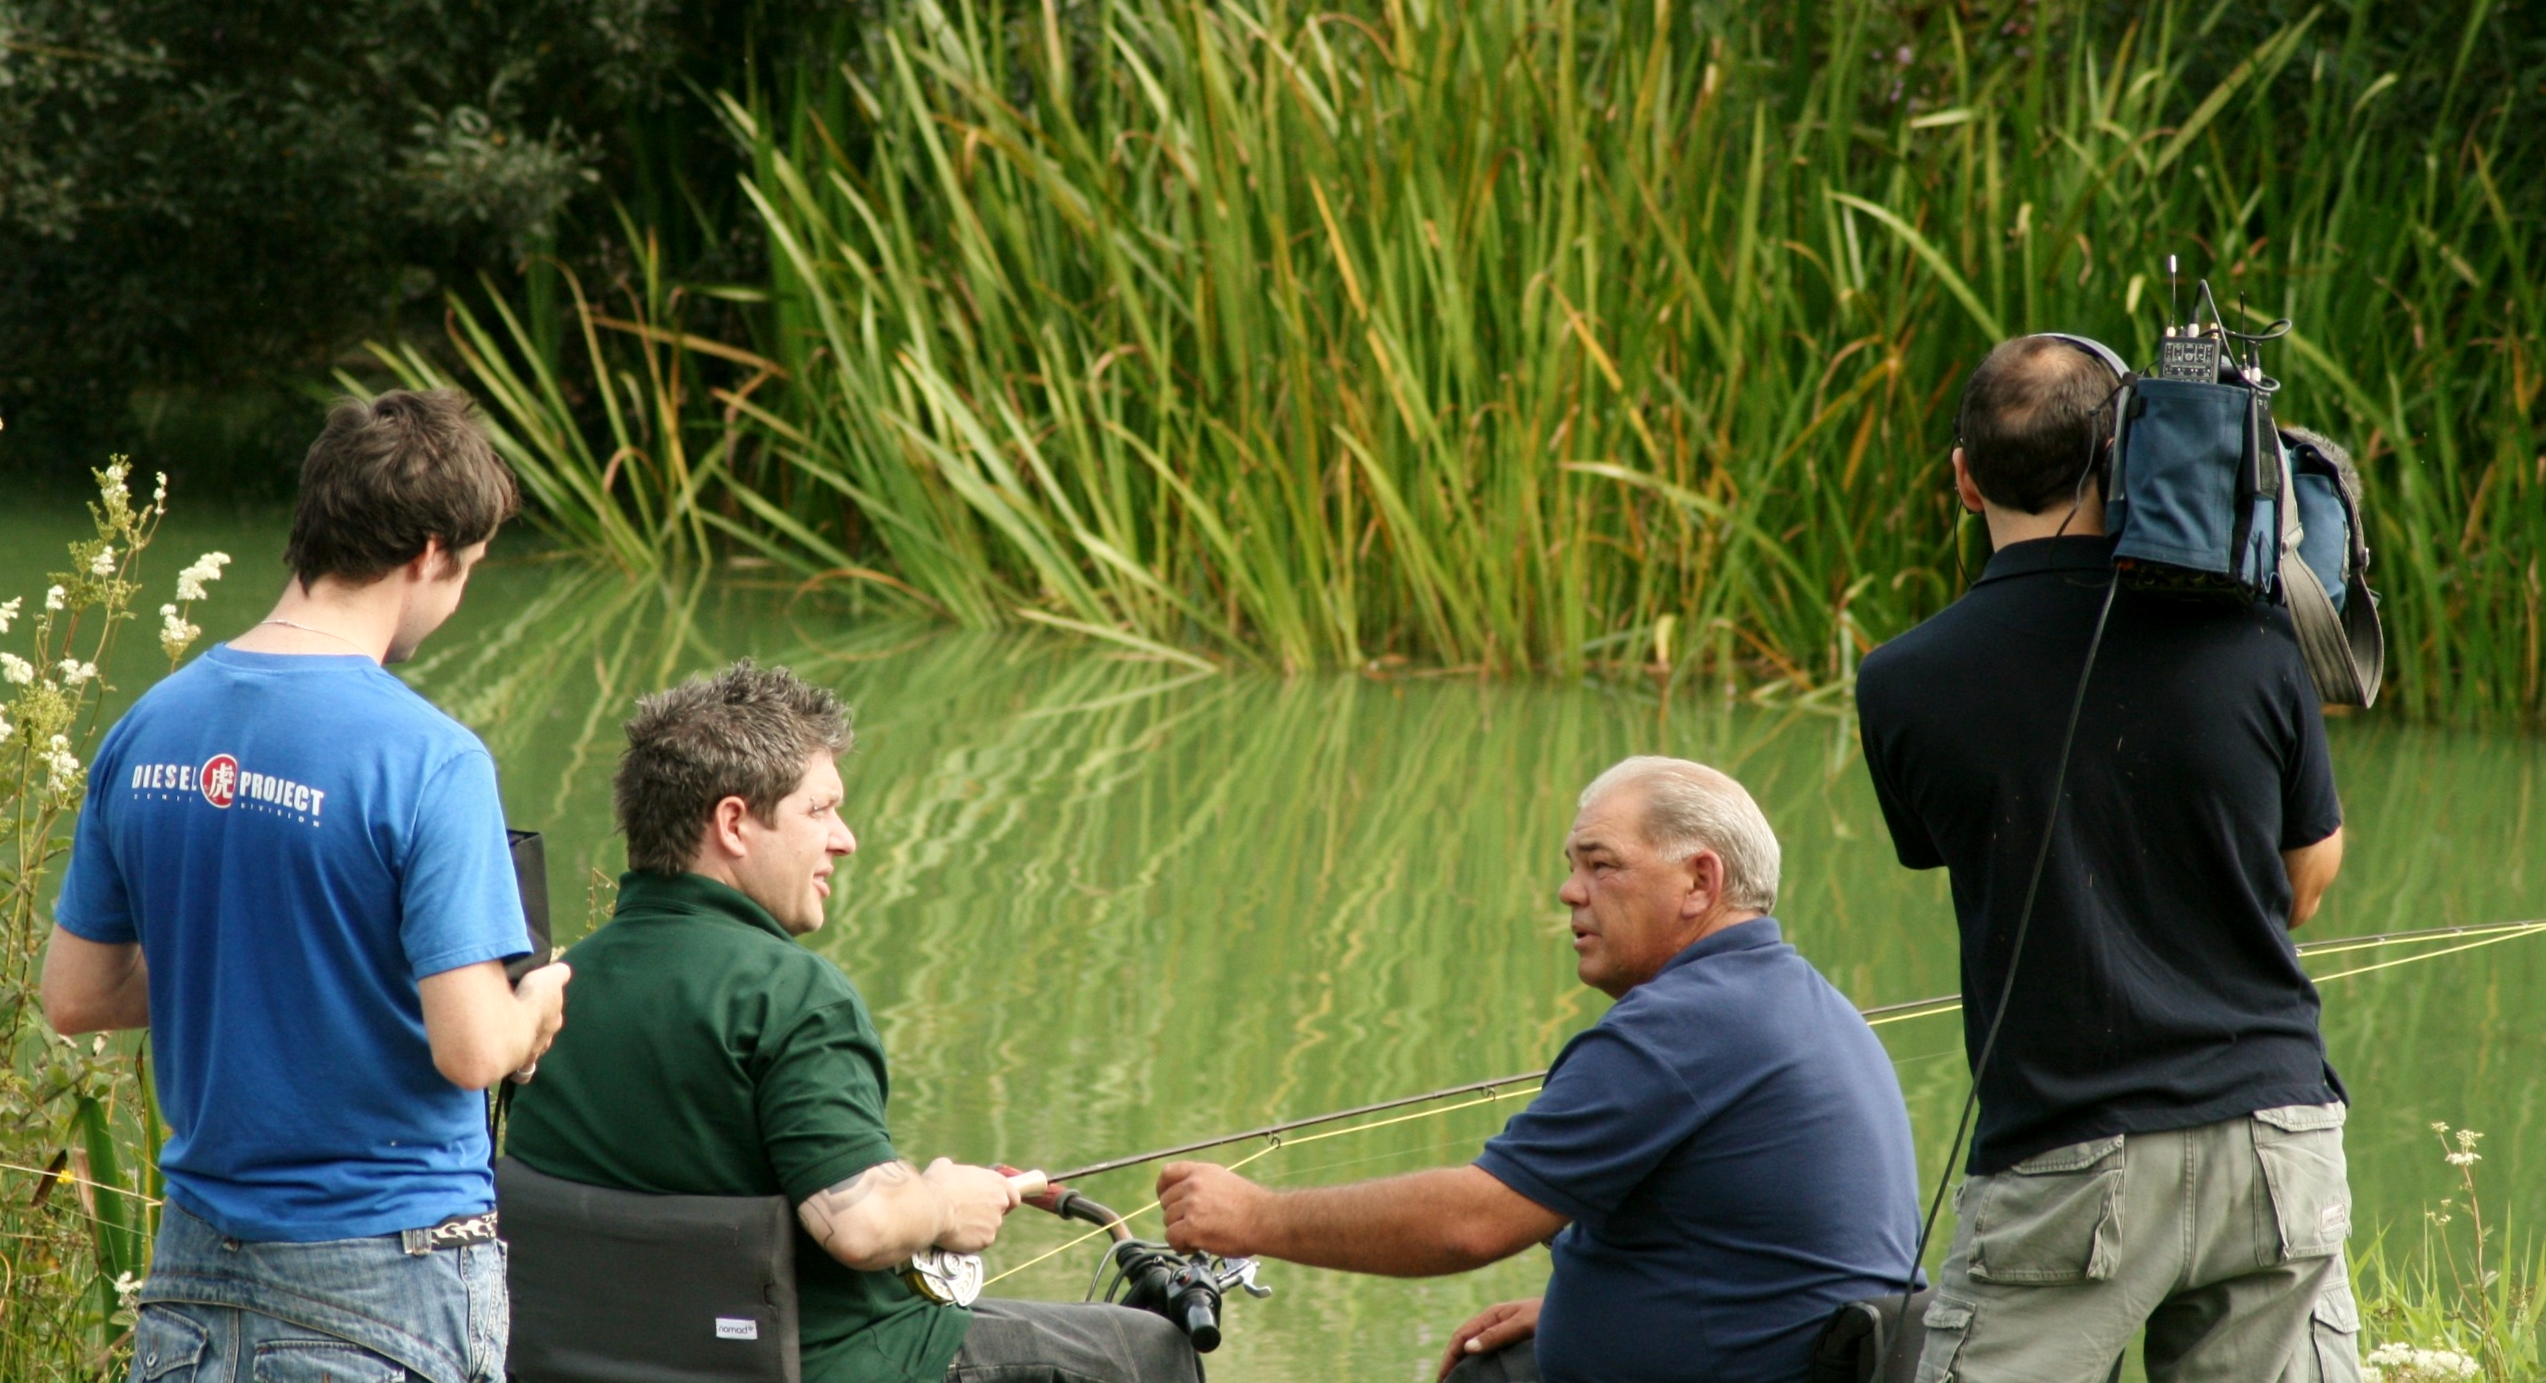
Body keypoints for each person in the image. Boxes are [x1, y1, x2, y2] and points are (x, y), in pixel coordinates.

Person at [1853, 334, 2358, 1383]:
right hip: (2271, 1137)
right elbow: (2304, 880)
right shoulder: (2252, 634)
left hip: (2061, 1157)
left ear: (1960, 479)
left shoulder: (1898, 683)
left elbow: (1956, 853)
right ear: (2121, 459)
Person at [41, 389, 569, 1383]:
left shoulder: (147, 727)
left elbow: (74, 998)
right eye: (467, 571)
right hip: (385, 1275)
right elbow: (468, 1049)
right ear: (426, 551)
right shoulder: (431, 758)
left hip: (192, 1273)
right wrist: (532, 1006)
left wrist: (256, 951)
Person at [502, 660, 1199, 1383]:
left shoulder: (551, 987)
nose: (845, 838)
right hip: (827, 1364)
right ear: (735, 823)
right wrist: (942, 1201)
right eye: (820, 809)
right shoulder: (792, 993)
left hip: (596, 1362)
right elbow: (861, 1227)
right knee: (1147, 1347)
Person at [1156, 756, 1921, 1383]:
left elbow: (1470, 1222)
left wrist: (1253, 1217)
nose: (1569, 890)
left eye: (1601, 864)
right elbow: (1739, 1251)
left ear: (1699, 882)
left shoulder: (1684, 1025)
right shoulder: (1801, 999)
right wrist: (1581, 1307)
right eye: (1572, 865)